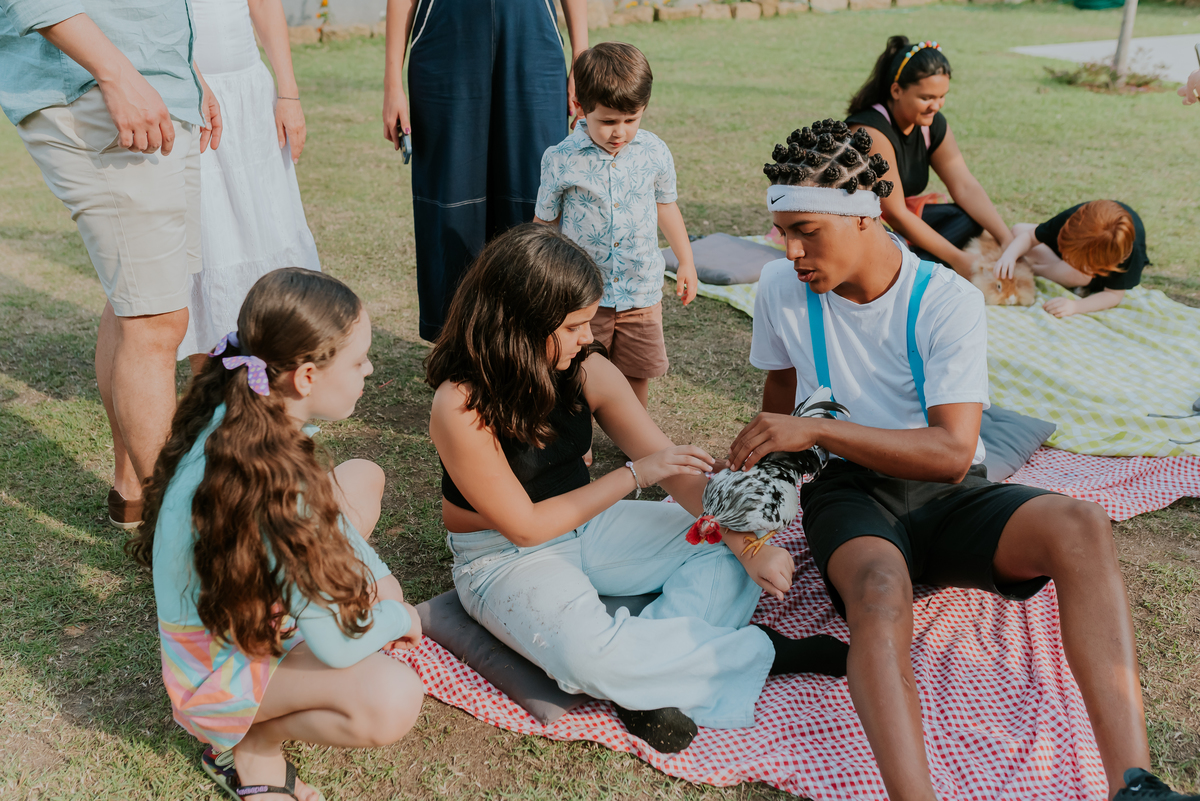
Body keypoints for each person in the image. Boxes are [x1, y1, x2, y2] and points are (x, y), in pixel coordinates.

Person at [736, 119, 1197, 801]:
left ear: (865, 219)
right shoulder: (781, 289)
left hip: (947, 490)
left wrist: (814, 430)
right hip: (850, 497)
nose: (792, 249)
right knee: (879, 592)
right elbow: (776, 422)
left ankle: (1134, 784)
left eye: (808, 230)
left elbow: (953, 454)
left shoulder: (943, 298)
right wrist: (744, 510)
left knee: (1082, 523)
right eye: (783, 231)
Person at [426, 223, 848, 754]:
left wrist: (750, 545)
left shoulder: (588, 369)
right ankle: (759, 652)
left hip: (589, 525)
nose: (589, 336)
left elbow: (675, 474)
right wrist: (633, 474)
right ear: (524, 322)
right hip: (503, 556)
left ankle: (642, 684)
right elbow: (525, 525)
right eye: (576, 325)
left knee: (723, 547)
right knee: (587, 658)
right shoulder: (460, 404)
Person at [128, 268, 424, 801]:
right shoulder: (276, 492)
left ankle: (260, 706)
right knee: (392, 695)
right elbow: (337, 646)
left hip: (243, 612)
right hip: (216, 675)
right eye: (359, 361)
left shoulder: (245, 415)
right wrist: (400, 615)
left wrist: (380, 577)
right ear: (306, 377)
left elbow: (327, 520)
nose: (370, 369)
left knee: (362, 476)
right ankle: (244, 745)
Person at [0, 0, 221, 530]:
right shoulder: (112, 76)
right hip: (98, 85)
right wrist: (118, 74)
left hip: (154, 82)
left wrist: (187, 76)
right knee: (155, 319)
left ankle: (134, 492)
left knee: (141, 301)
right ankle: (180, 541)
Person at [381, 0, 589, 342]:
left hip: (533, 33)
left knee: (533, 201)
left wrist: (580, 54)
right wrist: (392, 83)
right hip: (446, 34)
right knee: (450, 201)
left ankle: (532, 350)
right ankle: (458, 355)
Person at [534, 42, 698, 409]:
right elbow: (544, 222)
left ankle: (633, 436)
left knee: (637, 369)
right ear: (580, 108)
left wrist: (685, 261)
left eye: (631, 119)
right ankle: (581, 438)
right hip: (585, 293)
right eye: (607, 121)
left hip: (640, 288)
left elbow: (666, 206)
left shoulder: (654, 151)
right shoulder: (561, 159)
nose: (620, 131)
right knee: (580, 367)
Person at [179, 0, 321, 369]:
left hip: (250, 92)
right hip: (189, 94)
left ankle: (274, 376)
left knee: (271, 228)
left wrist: (288, 93)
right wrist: (189, 79)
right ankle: (216, 391)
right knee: (212, 243)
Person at [845, 37, 1012, 278]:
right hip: (862, 226)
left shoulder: (930, 124)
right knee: (894, 248)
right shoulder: (871, 131)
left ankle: (915, 266)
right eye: (926, 98)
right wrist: (960, 259)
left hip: (897, 226)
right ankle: (909, 268)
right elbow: (894, 213)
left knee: (969, 219)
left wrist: (1008, 240)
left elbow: (965, 186)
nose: (936, 106)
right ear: (897, 90)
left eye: (941, 96)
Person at [995, 200, 1148, 318]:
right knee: (1017, 231)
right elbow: (1029, 236)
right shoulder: (1078, 220)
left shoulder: (1131, 252)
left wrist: (1075, 306)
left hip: (1087, 274)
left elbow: (1114, 295)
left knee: (1075, 274)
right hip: (1072, 252)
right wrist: (1009, 256)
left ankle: (1034, 269)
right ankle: (1044, 265)